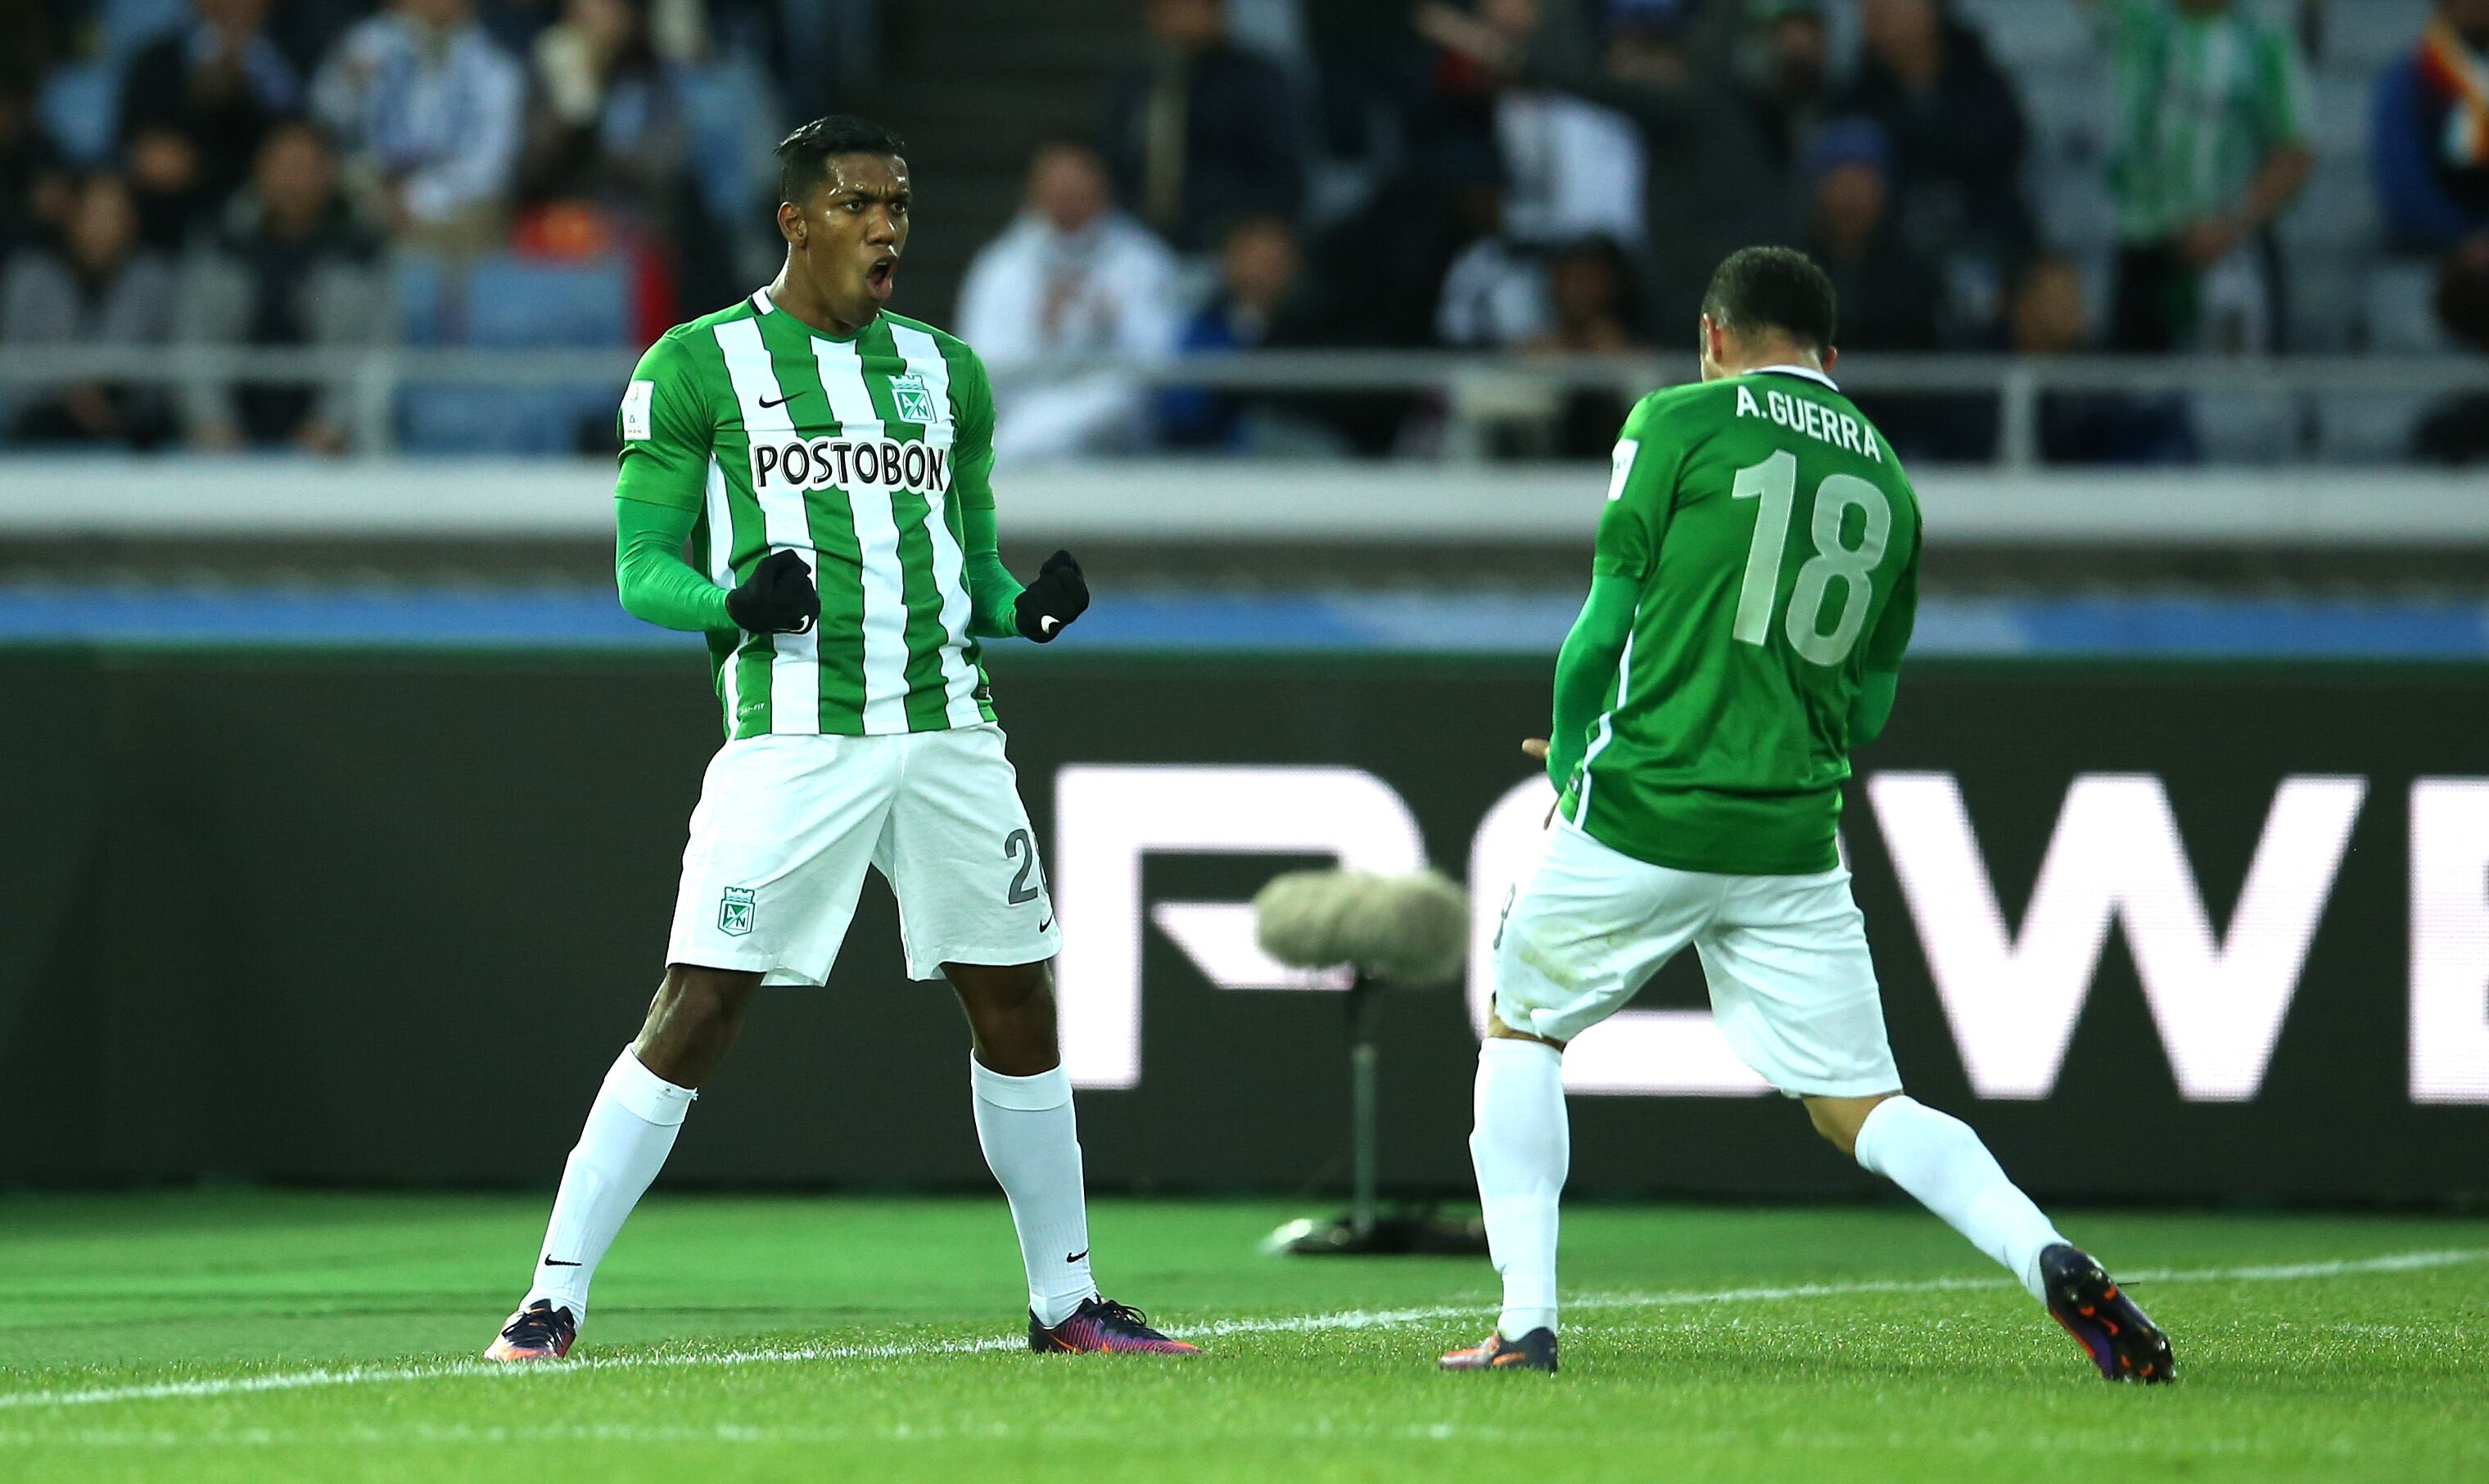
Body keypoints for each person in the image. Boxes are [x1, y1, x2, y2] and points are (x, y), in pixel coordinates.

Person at [482, 115, 1199, 1364]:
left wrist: (1020, 609)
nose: (887, 228)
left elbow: (969, 569)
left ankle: (1066, 1300)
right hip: (794, 731)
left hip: (949, 725)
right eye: (862, 204)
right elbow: (642, 568)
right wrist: (734, 604)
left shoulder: (947, 372)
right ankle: (550, 1300)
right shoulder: (696, 366)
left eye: (902, 207)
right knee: (699, 1003)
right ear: (796, 220)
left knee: (1018, 1000)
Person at [1439, 246, 2175, 1386]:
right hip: (1791, 838)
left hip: (1644, 807)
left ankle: (1525, 1322)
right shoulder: (1890, 482)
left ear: (1716, 334)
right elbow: (1868, 700)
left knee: (1525, 1027)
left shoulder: (1677, 421)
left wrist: (1579, 750)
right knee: (1865, 1106)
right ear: (1832, 358)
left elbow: (1600, 625)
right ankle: (2050, 1256)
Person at [2081, 0, 2313, 352]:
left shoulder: (2266, 41)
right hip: (2147, 244)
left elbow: (2294, 152)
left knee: (2247, 395)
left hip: (2238, 248)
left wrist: (2230, 223)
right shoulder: (2139, 21)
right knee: (2132, 392)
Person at [955, 139, 1180, 462]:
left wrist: (1108, 321)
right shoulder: (1001, 265)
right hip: (1024, 407)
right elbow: (985, 363)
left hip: (1112, 424)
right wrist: (1044, 327)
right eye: (1058, 187)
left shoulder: (1142, 259)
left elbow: (1159, 359)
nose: (1069, 197)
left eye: (1079, 186)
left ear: (1103, 187)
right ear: (1034, 191)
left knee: (1113, 398)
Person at [175, 118, 384, 453]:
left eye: (303, 167)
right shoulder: (221, 244)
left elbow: (375, 352)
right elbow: (193, 339)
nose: (292, 180)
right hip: (226, 440)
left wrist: (331, 424)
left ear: (328, 173)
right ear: (259, 170)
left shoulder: (362, 252)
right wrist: (212, 420)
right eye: (282, 166)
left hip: (332, 444)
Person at [1836, 0, 2033, 340]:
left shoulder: (1981, 80)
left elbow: (2005, 149)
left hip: (1989, 259)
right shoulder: (1854, 102)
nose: (1877, 11)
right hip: (1893, 295)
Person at [311, 0, 526, 251]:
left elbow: (490, 167)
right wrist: (348, 81)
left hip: (451, 206)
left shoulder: (496, 68)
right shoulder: (369, 42)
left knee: (467, 222)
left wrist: (414, 198)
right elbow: (324, 118)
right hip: (366, 192)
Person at [1101, 0, 1305, 251]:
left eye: (1192, 6)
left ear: (1217, 12)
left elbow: (1283, 177)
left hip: (1229, 243)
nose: (1181, 18)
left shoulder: (1256, 81)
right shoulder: (1138, 83)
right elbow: (1113, 159)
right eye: (1169, 8)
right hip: (1141, 242)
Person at [2, 172, 177, 448]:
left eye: (112, 216)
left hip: (132, 423)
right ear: (70, 218)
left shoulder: (155, 279)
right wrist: (71, 393)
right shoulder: (31, 277)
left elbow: (162, 367)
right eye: (92, 214)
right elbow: (15, 365)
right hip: (43, 421)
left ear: (132, 222)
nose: (101, 227)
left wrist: (105, 396)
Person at [115, 0, 304, 217]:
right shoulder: (157, 61)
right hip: (168, 211)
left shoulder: (286, 58)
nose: (233, 6)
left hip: (261, 210)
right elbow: (129, 141)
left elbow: (294, 132)